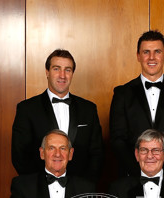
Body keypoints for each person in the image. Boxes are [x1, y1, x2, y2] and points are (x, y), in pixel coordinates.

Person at [110, 30, 164, 177]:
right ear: (138, 56)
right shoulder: (122, 94)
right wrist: (139, 172)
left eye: (157, 51)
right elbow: (118, 139)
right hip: (132, 176)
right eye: (146, 52)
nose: (151, 57)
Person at [11, 49, 103, 181]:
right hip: (39, 191)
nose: (62, 75)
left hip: (80, 190)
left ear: (72, 74)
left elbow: (97, 154)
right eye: (56, 69)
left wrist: (84, 186)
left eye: (68, 70)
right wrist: (39, 187)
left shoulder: (88, 109)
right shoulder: (27, 109)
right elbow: (20, 155)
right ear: (47, 72)